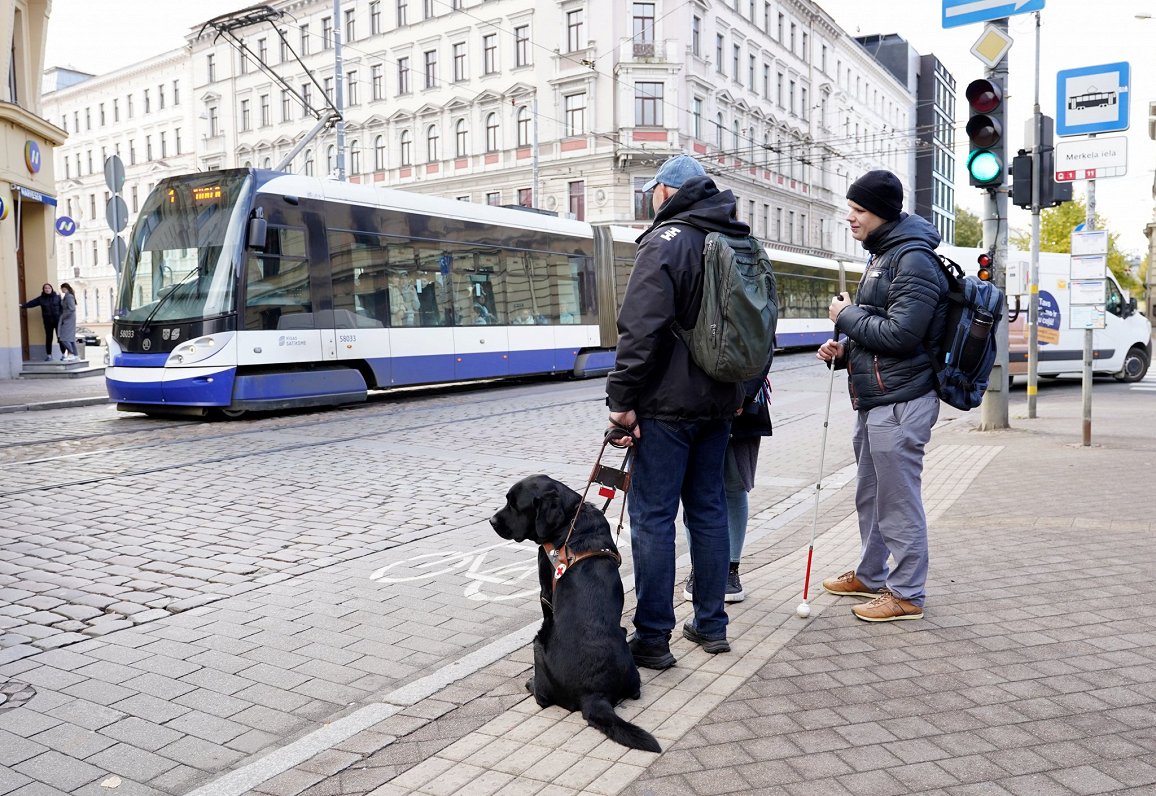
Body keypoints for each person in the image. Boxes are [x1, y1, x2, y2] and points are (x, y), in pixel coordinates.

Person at [605, 154, 751, 667]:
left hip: (666, 407)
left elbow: (639, 331)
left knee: (653, 518)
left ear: (667, 192)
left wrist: (621, 401)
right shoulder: (738, 238)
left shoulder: (666, 242)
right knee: (709, 511)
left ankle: (652, 639)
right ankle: (711, 625)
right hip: (719, 404)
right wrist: (738, 396)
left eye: (653, 191)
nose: (650, 198)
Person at [817, 169, 948, 622]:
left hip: (902, 399)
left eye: (858, 210)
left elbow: (901, 335)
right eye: (850, 209)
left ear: (882, 213)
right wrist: (843, 350)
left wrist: (846, 315)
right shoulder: (883, 255)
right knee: (871, 495)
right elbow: (879, 330)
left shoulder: (911, 259)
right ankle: (872, 574)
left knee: (897, 499)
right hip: (877, 396)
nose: (850, 218)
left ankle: (907, 592)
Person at [683, 374, 773, 604]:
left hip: (742, 403)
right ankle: (699, 568)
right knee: (697, 488)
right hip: (694, 403)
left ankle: (730, 570)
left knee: (734, 485)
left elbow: (762, 349)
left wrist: (743, 396)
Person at [19, 283, 63, 361]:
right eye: (45, 288)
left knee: (60, 338)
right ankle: (49, 356)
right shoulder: (41, 299)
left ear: (51, 289)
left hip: (58, 321)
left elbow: (62, 308)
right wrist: (23, 305)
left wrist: (62, 319)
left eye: (49, 288)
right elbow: (32, 303)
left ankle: (63, 355)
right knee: (49, 338)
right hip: (47, 322)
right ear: (43, 290)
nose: (47, 289)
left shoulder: (57, 297)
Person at [57, 282, 79, 361]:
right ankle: (76, 355)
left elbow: (72, 309)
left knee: (64, 338)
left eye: (61, 288)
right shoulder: (68, 296)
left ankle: (71, 353)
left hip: (68, 319)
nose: (61, 290)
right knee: (70, 339)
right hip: (69, 318)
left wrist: (64, 317)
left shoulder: (69, 296)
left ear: (64, 288)